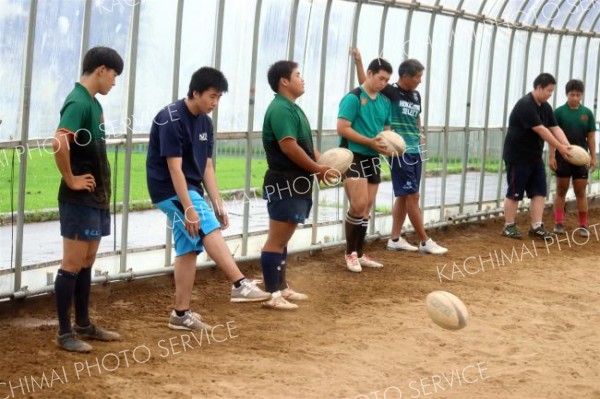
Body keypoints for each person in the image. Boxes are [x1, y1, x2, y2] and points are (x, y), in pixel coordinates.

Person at [146, 67, 270, 330]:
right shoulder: (170, 118)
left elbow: (207, 167)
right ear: (195, 92)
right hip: (169, 189)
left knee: (188, 248)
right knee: (207, 226)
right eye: (212, 97)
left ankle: (181, 314)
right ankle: (239, 284)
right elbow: (174, 169)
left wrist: (218, 204)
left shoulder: (206, 122)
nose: (215, 103)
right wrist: (190, 208)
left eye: (219, 98)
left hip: (190, 189)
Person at [52, 46, 124, 352]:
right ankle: (65, 333)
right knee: (72, 262)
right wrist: (71, 179)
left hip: (96, 198)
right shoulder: (78, 101)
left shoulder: (93, 105)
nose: (114, 83)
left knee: (87, 261)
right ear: (101, 70)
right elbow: (58, 142)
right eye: (114, 76)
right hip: (78, 198)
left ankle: (83, 324)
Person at [351, 49, 447, 255]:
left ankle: (394, 239)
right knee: (413, 194)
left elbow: (417, 117)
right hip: (399, 151)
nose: (420, 81)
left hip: (416, 150)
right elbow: (365, 85)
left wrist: (420, 134)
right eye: (418, 76)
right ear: (405, 76)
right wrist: (359, 63)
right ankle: (424, 240)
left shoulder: (416, 94)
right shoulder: (390, 91)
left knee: (404, 196)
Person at [260, 61, 331, 310]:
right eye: (298, 75)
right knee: (276, 240)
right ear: (284, 81)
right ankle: (272, 294)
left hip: (296, 182)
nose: (302, 79)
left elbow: (306, 146)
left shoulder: (292, 109)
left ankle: (281, 288)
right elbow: (289, 146)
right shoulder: (280, 109)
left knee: (283, 239)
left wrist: (323, 165)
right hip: (285, 181)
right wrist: (317, 169)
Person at [338, 57, 394, 273]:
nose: (383, 83)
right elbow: (343, 128)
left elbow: (386, 129)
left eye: (387, 80)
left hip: (373, 157)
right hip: (352, 155)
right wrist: (369, 141)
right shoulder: (353, 98)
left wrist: (391, 145)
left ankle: (360, 254)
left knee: (367, 206)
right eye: (380, 78)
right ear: (369, 73)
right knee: (359, 205)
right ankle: (350, 253)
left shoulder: (385, 101)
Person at [501, 73, 571, 239]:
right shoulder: (526, 105)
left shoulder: (545, 107)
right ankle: (508, 226)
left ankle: (536, 226)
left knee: (539, 191)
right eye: (548, 91)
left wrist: (568, 146)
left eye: (552, 92)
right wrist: (560, 147)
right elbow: (541, 129)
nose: (550, 94)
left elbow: (555, 128)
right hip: (517, 156)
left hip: (534, 157)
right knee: (515, 193)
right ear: (539, 87)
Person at [550, 79, 597, 236]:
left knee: (580, 191)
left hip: (581, 157)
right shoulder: (559, 112)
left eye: (578, 95)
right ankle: (558, 223)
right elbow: (552, 136)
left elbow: (591, 137)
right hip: (563, 156)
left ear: (582, 95)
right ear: (566, 94)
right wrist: (552, 156)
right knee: (561, 189)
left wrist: (593, 157)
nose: (575, 98)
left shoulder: (587, 113)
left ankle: (583, 225)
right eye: (572, 94)